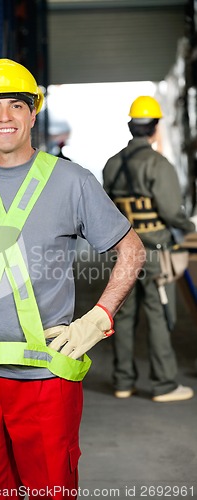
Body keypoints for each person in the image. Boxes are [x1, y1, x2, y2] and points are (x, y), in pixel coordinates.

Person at [0, 59, 145, 499]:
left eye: (17, 105)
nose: (5, 117)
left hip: (47, 378)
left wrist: (98, 316)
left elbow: (131, 249)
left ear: (34, 113)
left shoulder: (72, 181)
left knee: (50, 489)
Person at [103, 95, 196, 403]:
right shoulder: (159, 165)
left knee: (123, 314)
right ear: (154, 128)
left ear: (131, 127)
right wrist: (189, 227)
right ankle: (163, 384)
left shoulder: (112, 165)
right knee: (157, 313)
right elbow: (171, 211)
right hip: (154, 252)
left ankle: (123, 382)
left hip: (124, 252)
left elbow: (107, 210)